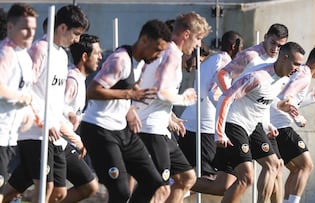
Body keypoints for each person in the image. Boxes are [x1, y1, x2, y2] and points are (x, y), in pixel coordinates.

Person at [3, 5, 89, 203]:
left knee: (58, 192)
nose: (77, 40)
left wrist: (68, 118)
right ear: (62, 28)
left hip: (53, 132)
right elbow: (27, 91)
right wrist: (43, 121)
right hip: (35, 131)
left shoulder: (61, 55)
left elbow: (53, 99)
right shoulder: (40, 50)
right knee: (45, 188)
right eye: (75, 34)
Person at [79, 19, 172, 203]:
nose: (158, 55)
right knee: (121, 192)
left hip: (122, 130)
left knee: (154, 182)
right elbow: (92, 91)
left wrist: (129, 106)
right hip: (99, 129)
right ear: (144, 40)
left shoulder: (141, 63)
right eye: (158, 49)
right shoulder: (120, 59)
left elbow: (128, 90)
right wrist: (130, 94)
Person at [210, 42, 304, 203]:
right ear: (284, 58)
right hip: (234, 124)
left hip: (252, 126)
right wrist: (219, 132)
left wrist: (283, 108)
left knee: (275, 164)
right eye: (296, 63)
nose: (298, 68)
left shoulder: (281, 80)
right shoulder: (258, 77)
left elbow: (266, 101)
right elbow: (226, 97)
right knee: (246, 178)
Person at [134, 12, 211, 203]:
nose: (198, 45)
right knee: (158, 188)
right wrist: (184, 99)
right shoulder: (171, 53)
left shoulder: (170, 52)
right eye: (198, 38)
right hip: (149, 129)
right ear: (186, 34)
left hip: (160, 129)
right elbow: (160, 90)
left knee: (187, 178)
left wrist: (170, 117)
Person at [270, 45, 315, 203]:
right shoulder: (305, 76)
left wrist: (309, 99)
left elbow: (285, 97)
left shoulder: (299, 72)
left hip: (274, 124)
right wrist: (298, 117)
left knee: (295, 168)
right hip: (281, 126)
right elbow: (286, 97)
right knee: (307, 165)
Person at [179, 31, 244, 179]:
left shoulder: (213, 60)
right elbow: (214, 93)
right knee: (208, 177)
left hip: (191, 121)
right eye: (242, 48)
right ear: (234, 46)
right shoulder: (224, 62)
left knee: (185, 175)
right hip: (204, 126)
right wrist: (229, 112)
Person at [57, 33, 103, 203]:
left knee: (89, 186)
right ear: (84, 56)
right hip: (53, 143)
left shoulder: (79, 78)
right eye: (97, 53)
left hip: (63, 143)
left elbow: (72, 113)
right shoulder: (71, 80)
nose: (100, 57)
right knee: (52, 192)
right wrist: (77, 140)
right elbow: (57, 112)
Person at [0, 3, 37, 203]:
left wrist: (29, 112)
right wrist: (23, 99)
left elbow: (25, 91)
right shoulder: (6, 52)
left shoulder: (24, 56)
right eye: (25, 28)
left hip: (9, 136)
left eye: (33, 28)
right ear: (10, 27)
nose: (30, 33)